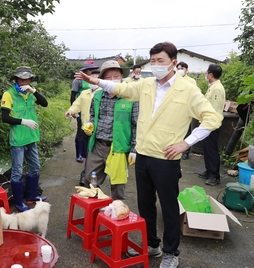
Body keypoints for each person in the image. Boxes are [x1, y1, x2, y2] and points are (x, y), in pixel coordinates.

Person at [75, 42, 222, 268]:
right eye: (152, 61)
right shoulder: (145, 85)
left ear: (173, 63)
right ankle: (153, 244)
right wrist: (96, 81)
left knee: (169, 207)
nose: (156, 65)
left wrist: (186, 143)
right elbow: (121, 89)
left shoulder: (188, 89)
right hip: (143, 156)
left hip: (166, 159)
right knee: (145, 205)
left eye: (160, 61)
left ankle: (171, 252)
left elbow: (213, 119)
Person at [81, 60, 137, 200]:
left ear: (121, 78)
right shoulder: (98, 96)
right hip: (98, 144)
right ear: (102, 80)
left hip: (118, 147)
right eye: (108, 77)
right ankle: (94, 210)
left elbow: (136, 124)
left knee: (117, 185)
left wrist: (134, 149)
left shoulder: (130, 97)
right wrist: (90, 124)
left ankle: (117, 213)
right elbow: (94, 115)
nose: (112, 80)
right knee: (90, 180)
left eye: (116, 76)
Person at [1, 66, 48, 212]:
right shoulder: (8, 95)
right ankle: (19, 202)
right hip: (18, 140)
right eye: (22, 79)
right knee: (17, 171)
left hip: (31, 137)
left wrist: (33, 91)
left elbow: (45, 103)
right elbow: (5, 118)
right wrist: (23, 121)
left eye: (27, 79)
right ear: (16, 80)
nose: (25, 82)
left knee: (35, 167)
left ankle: (32, 196)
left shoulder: (30, 93)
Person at [64, 72, 100, 185]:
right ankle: (87, 176)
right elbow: (77, 104)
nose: (93, 81)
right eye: (91, 79)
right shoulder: (84, 93)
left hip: (99, 131)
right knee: (89, 154)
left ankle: (90, 176)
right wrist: (71, 111)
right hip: (87, 129)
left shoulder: (104, 92)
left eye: (96, 79)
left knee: (95, 156)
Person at [198, 64, 226, 186]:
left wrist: (209, 126)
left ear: (210, 75)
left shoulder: (217, 89)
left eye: (207, 73)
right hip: (206, 122)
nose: (206, 74)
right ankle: (209, 171)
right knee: (206, 149)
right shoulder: (213, 86)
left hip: (212, 124)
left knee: (212, 149)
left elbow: (214, 109)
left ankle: (215, 176)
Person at [71, 61, 100, 162]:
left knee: (89, 133)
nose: (91, 71)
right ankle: (79, 154)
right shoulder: (78, 81)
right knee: (80, 131)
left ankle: (85, 152)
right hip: (81, 109)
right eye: (90, 70)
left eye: (93, 70)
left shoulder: (97, 80)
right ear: (85, 70)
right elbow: (73, 96)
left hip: (92, 111)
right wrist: (73, 111)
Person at [176, 61, 196, 160]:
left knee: (187, 131)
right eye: (178, 69)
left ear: (186, 70)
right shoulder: (174, 80)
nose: (180, 70)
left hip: (186, 110)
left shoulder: (191, 81)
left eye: (182, 69)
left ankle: (186, 152)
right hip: (175, 109)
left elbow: (194, 96)